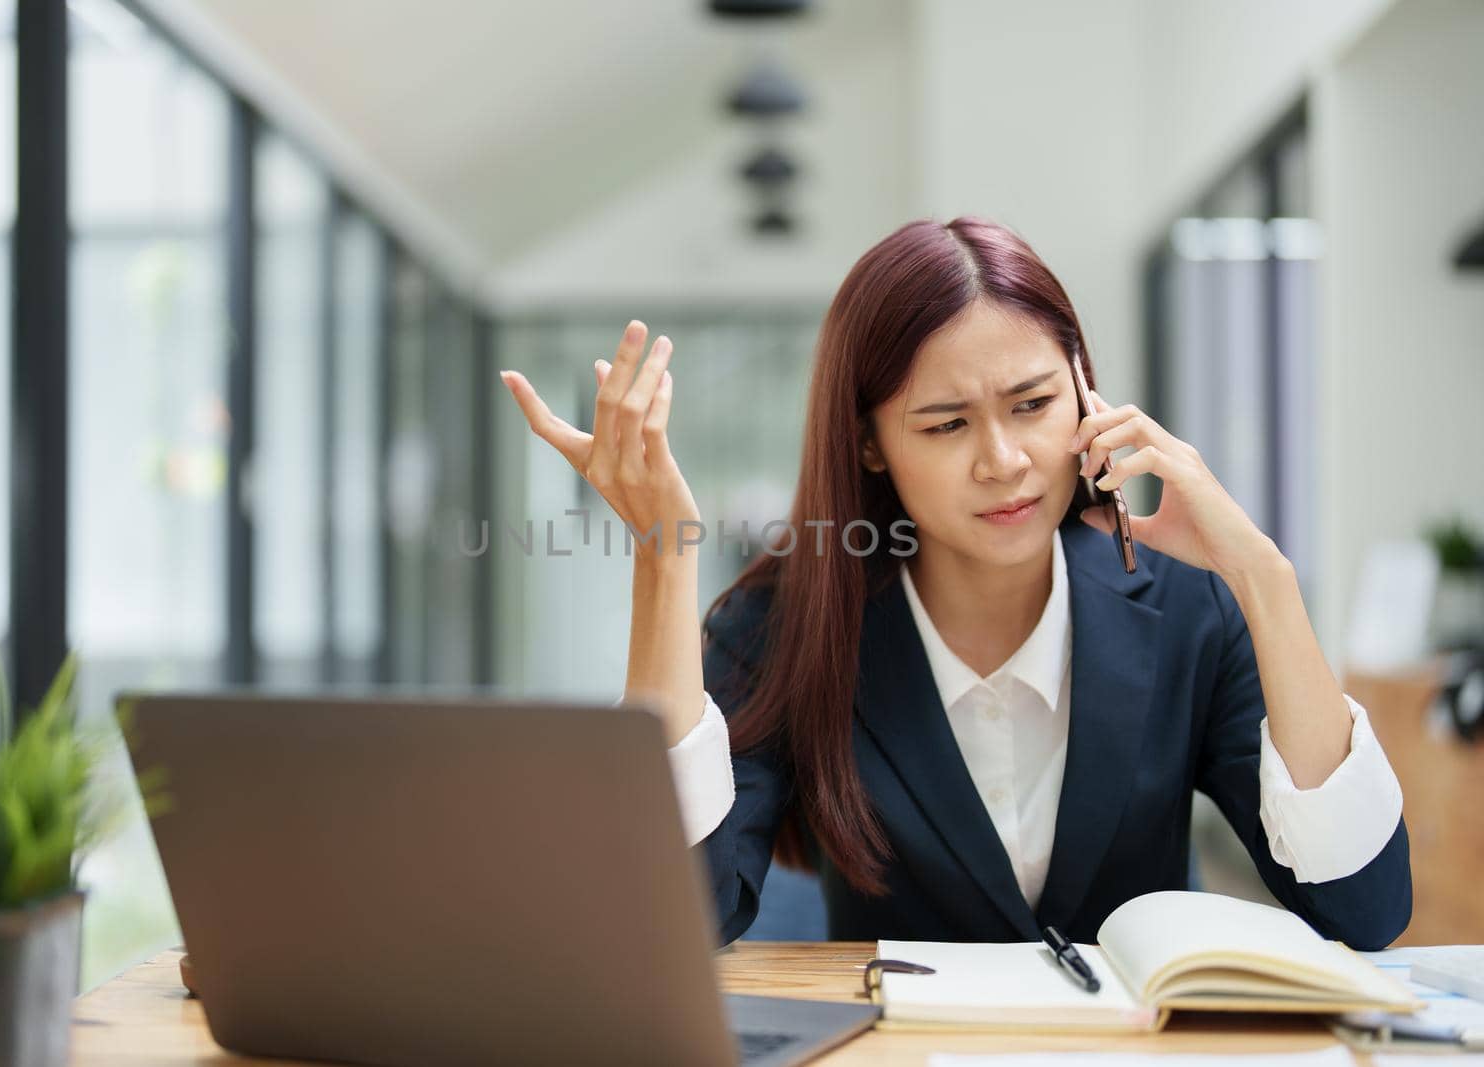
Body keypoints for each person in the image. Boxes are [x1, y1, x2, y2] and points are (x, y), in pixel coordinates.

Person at [499, 216, 1410, 950]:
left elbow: (1363, 911)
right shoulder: (786, 625)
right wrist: (664, 554)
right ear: (869, 444)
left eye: (1033, 404)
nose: (1004, 461)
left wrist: (1264, 578)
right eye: (944, 426)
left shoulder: (1183, 606)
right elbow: (672, 922)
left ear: (1087, 395)